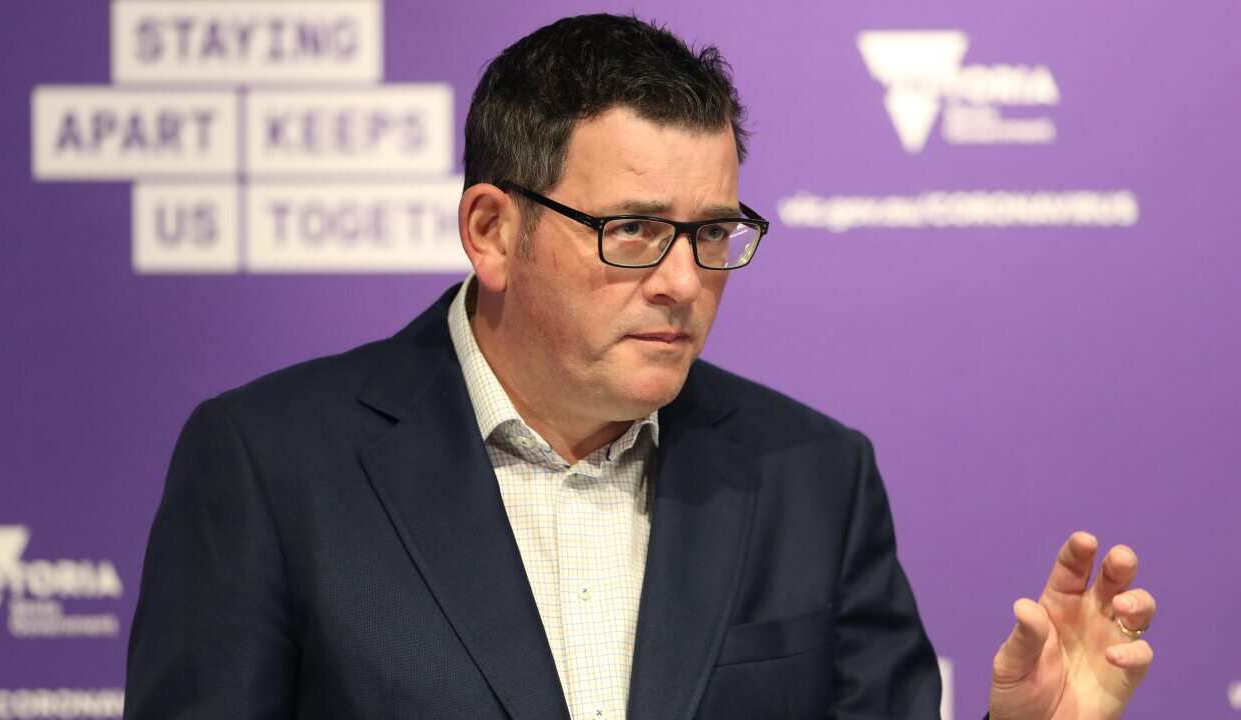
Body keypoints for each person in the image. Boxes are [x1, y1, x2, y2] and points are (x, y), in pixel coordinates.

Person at [124, 14, 1155, 719]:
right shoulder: (270, 465)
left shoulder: (811, 475)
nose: (679, 281)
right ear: (490, 231)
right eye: (629, 230)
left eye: (712, 233)